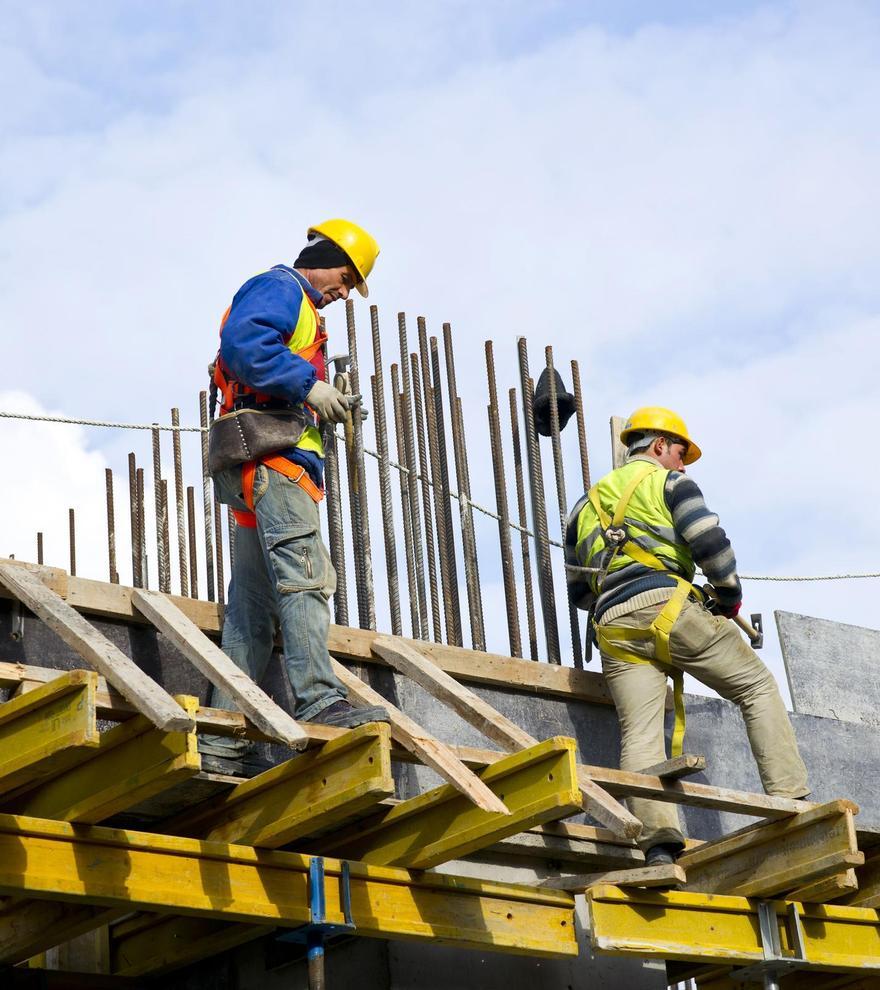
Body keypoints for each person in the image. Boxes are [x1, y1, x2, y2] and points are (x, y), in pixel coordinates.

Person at [566, 406, 809, 864]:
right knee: (756, 686)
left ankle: (659, 845)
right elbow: (710, 543)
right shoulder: (670, 483)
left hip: (614, 626)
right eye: (680, 452)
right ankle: (793, 802)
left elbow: (579, 591)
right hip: (670, 607)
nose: (682, 463)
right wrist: (729, 596)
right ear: (659, 446)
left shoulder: (583, 507)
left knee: (639, 732)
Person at [200, 219, 389, 775]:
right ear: (324, 256)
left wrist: (315, 394)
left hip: (258, 467)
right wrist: (310, 387)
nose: (345, 292)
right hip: (275, 464)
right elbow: (244, 345)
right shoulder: (282, 288)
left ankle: (223, 738)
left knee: (252, 612)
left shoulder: (300, 307)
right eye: (346, 277)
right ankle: (321, 699)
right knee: (306, 579)